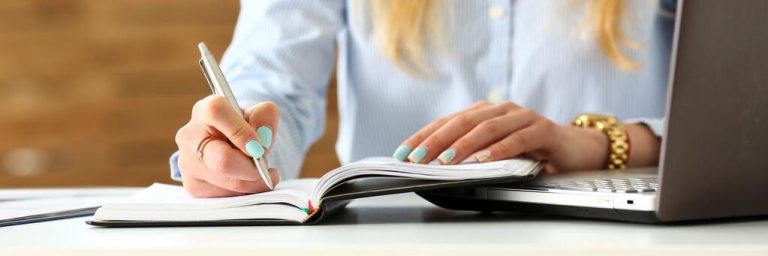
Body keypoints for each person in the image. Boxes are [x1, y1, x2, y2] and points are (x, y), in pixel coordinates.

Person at [172, 0, 677, 197]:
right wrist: (236, 147)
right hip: (389, 237)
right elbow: (274, 77)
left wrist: (603, 143)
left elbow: (722, 115)